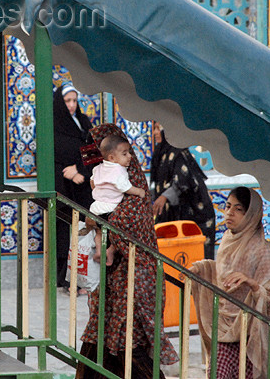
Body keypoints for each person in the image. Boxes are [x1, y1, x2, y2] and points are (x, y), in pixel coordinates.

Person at [76, 123, 179, 379]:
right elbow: (93, 182)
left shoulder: (131, 185)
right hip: (112, 280)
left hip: (133, 276)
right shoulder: (107, 176)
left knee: (127, 339)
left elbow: (128, 221)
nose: (94, 156)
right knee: (102, 336)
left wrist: (98, 222)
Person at [189, 186, 270, 379]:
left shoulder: (261, 251)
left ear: (251, 215)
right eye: (228, 206)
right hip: (224, 328)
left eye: (238, 209)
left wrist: (252, 284)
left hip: (249, 332)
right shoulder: (228, 240)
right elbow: (224, 275)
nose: (229, 213)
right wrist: (203, 269)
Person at [150, 122, 216, 259]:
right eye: (154, 129)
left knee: (196, 261)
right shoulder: (160, 153)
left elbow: (183, 180)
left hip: (195, 216)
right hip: (176, 215)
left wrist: (164, 197)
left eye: (157, 128)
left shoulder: (178, 153)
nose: (155, 133)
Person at [53, 82, 94, 292]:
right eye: (67, 101)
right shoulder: (52, 125)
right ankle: (66, 280)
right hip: (64, 189)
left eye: (74, 100)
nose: (71, 105)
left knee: (84, 233)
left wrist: (80, 171)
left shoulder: (84, 122)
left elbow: (93, 152)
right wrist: (66, 173)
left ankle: (83, 279)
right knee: (65, 234)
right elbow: (50, 157)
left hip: (83, 188)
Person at [88, 133, 145, 266]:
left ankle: (98, 251)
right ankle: (111, 250)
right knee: (122, 231)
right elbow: (126, 188)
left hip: (95, 208)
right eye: (125, 154)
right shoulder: (119, 170)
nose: (130, 156)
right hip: (111, 209)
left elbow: (92, 183)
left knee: (98, 232)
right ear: (112, 158)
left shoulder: (98, 168)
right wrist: (139, 191)